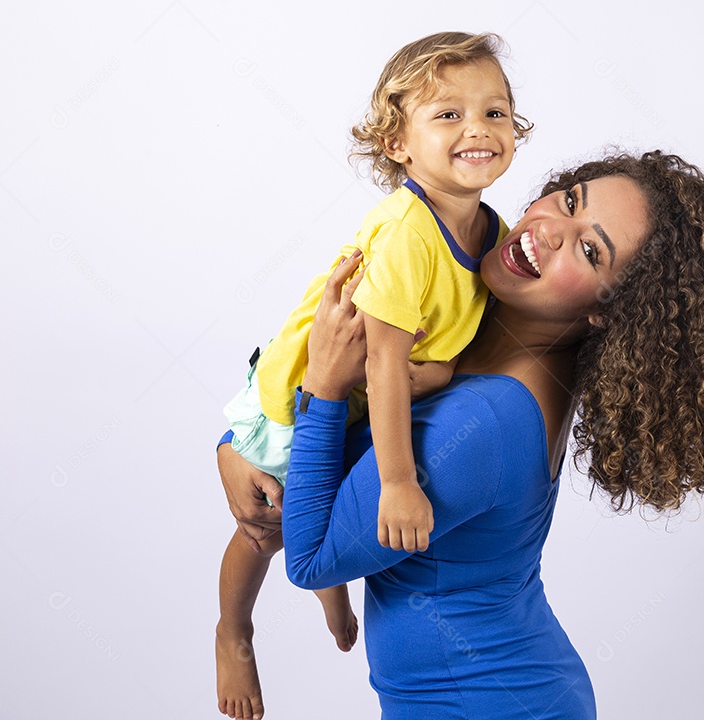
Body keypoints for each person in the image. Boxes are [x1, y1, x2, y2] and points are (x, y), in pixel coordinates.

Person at [219, 150, 704, 718]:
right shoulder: (484, 327)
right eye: (570, 199)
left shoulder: (485, 422)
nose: (550, 230)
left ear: (610, 312)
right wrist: (235, 446)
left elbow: (310, 557)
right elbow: (338, 414)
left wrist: (323, 386)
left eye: (589, 250)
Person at [215, 31, 533, 720]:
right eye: (447, 114)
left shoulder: (491, 227)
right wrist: (399, 483)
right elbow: (382, 360)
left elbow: (445, 338)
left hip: (357, 406)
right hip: (292, 399)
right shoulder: (404, 233)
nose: (477, 128)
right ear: (398, 145)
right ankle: (234, 629)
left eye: (495, 112)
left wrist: (444, 369)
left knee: (323, 510)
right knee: (263, 532)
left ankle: (330, 588)